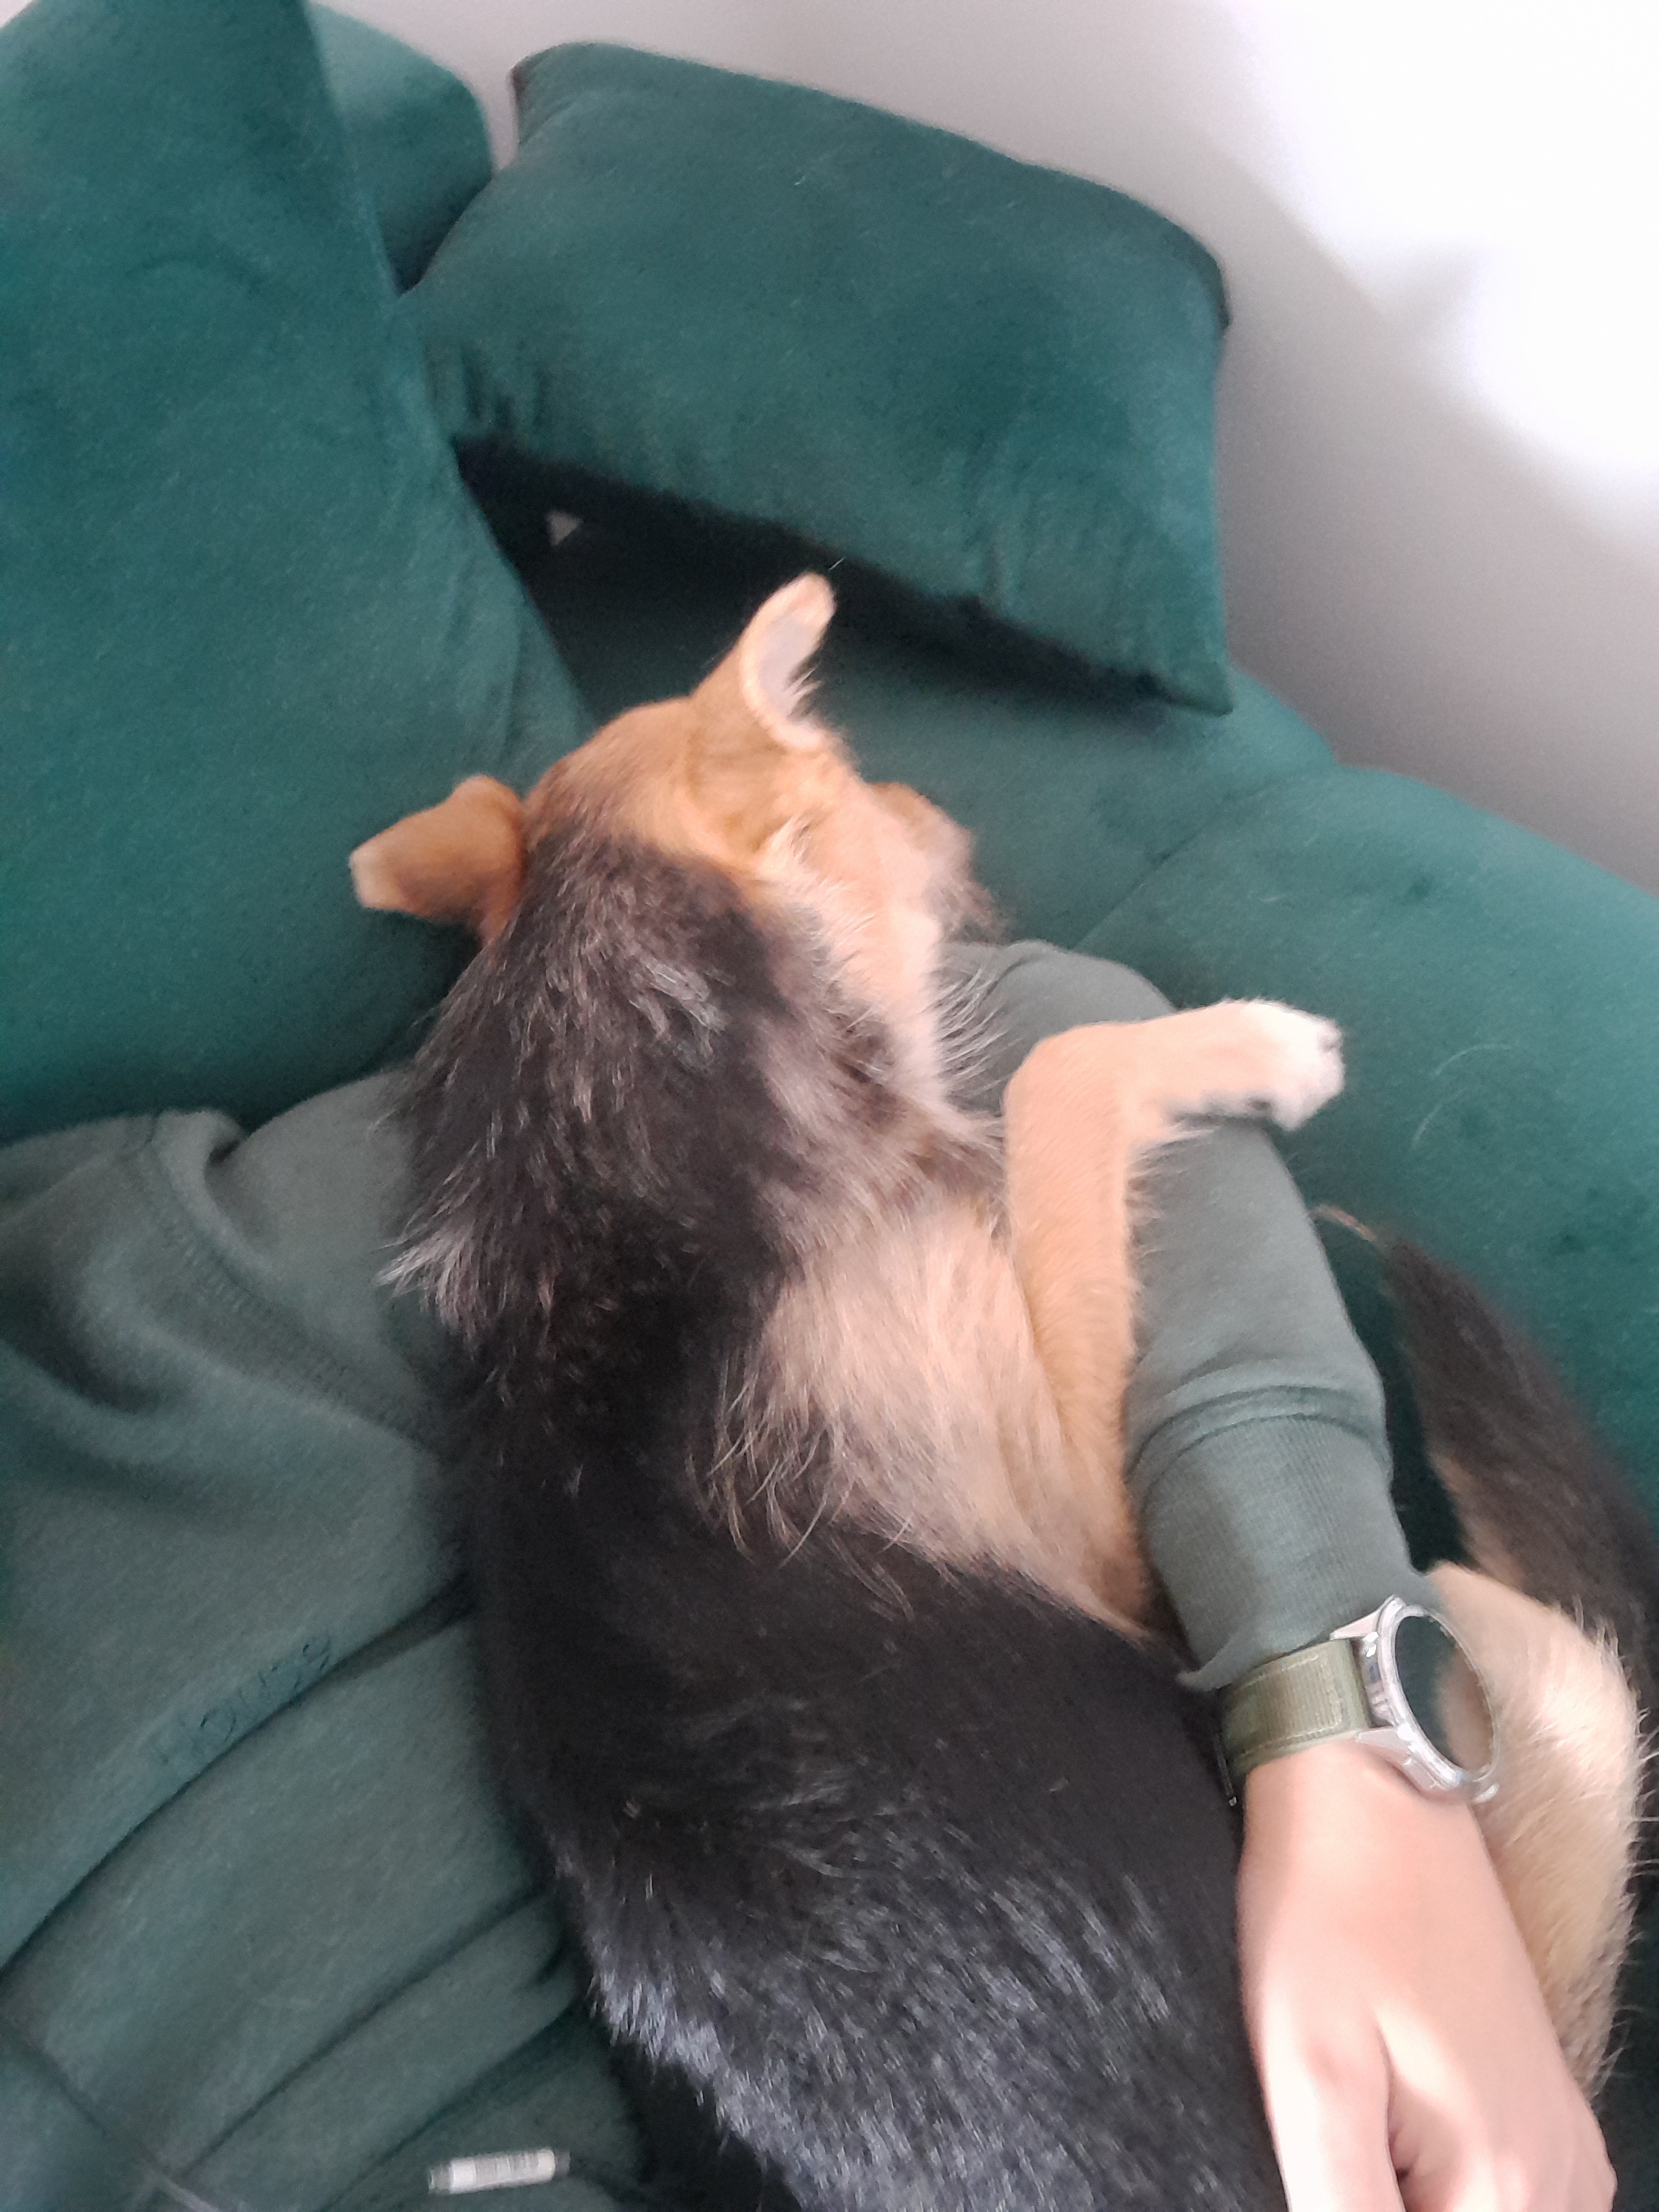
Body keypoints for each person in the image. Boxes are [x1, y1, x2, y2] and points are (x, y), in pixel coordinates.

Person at [0, 939, 1614, 2209]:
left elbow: (1029, 1027)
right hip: (1046, 2041)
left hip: (1206, 1814)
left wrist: (1353, 1721)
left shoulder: (147, 1320)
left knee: (1569, 1721)